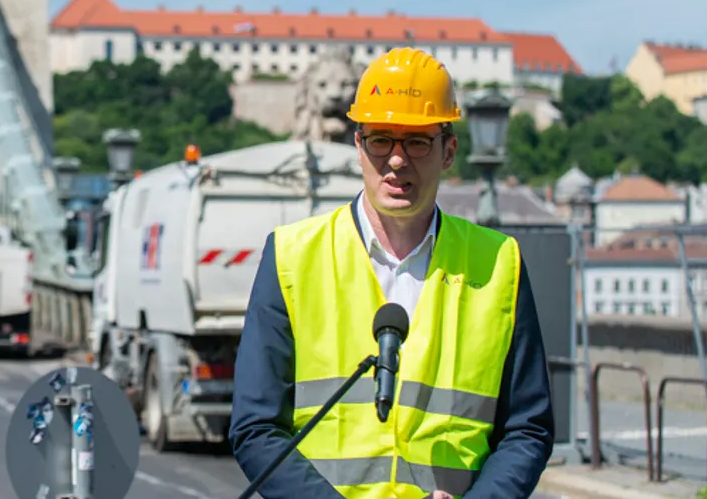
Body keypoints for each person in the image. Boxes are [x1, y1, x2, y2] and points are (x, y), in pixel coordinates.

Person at [229, 47, 554, 499]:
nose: (397, 160)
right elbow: (256, 427)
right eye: (381, 139)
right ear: (358, 146)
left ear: (449, 151)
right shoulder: (290, 256)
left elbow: (527, 429)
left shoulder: (500, 262)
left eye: (417, 141)